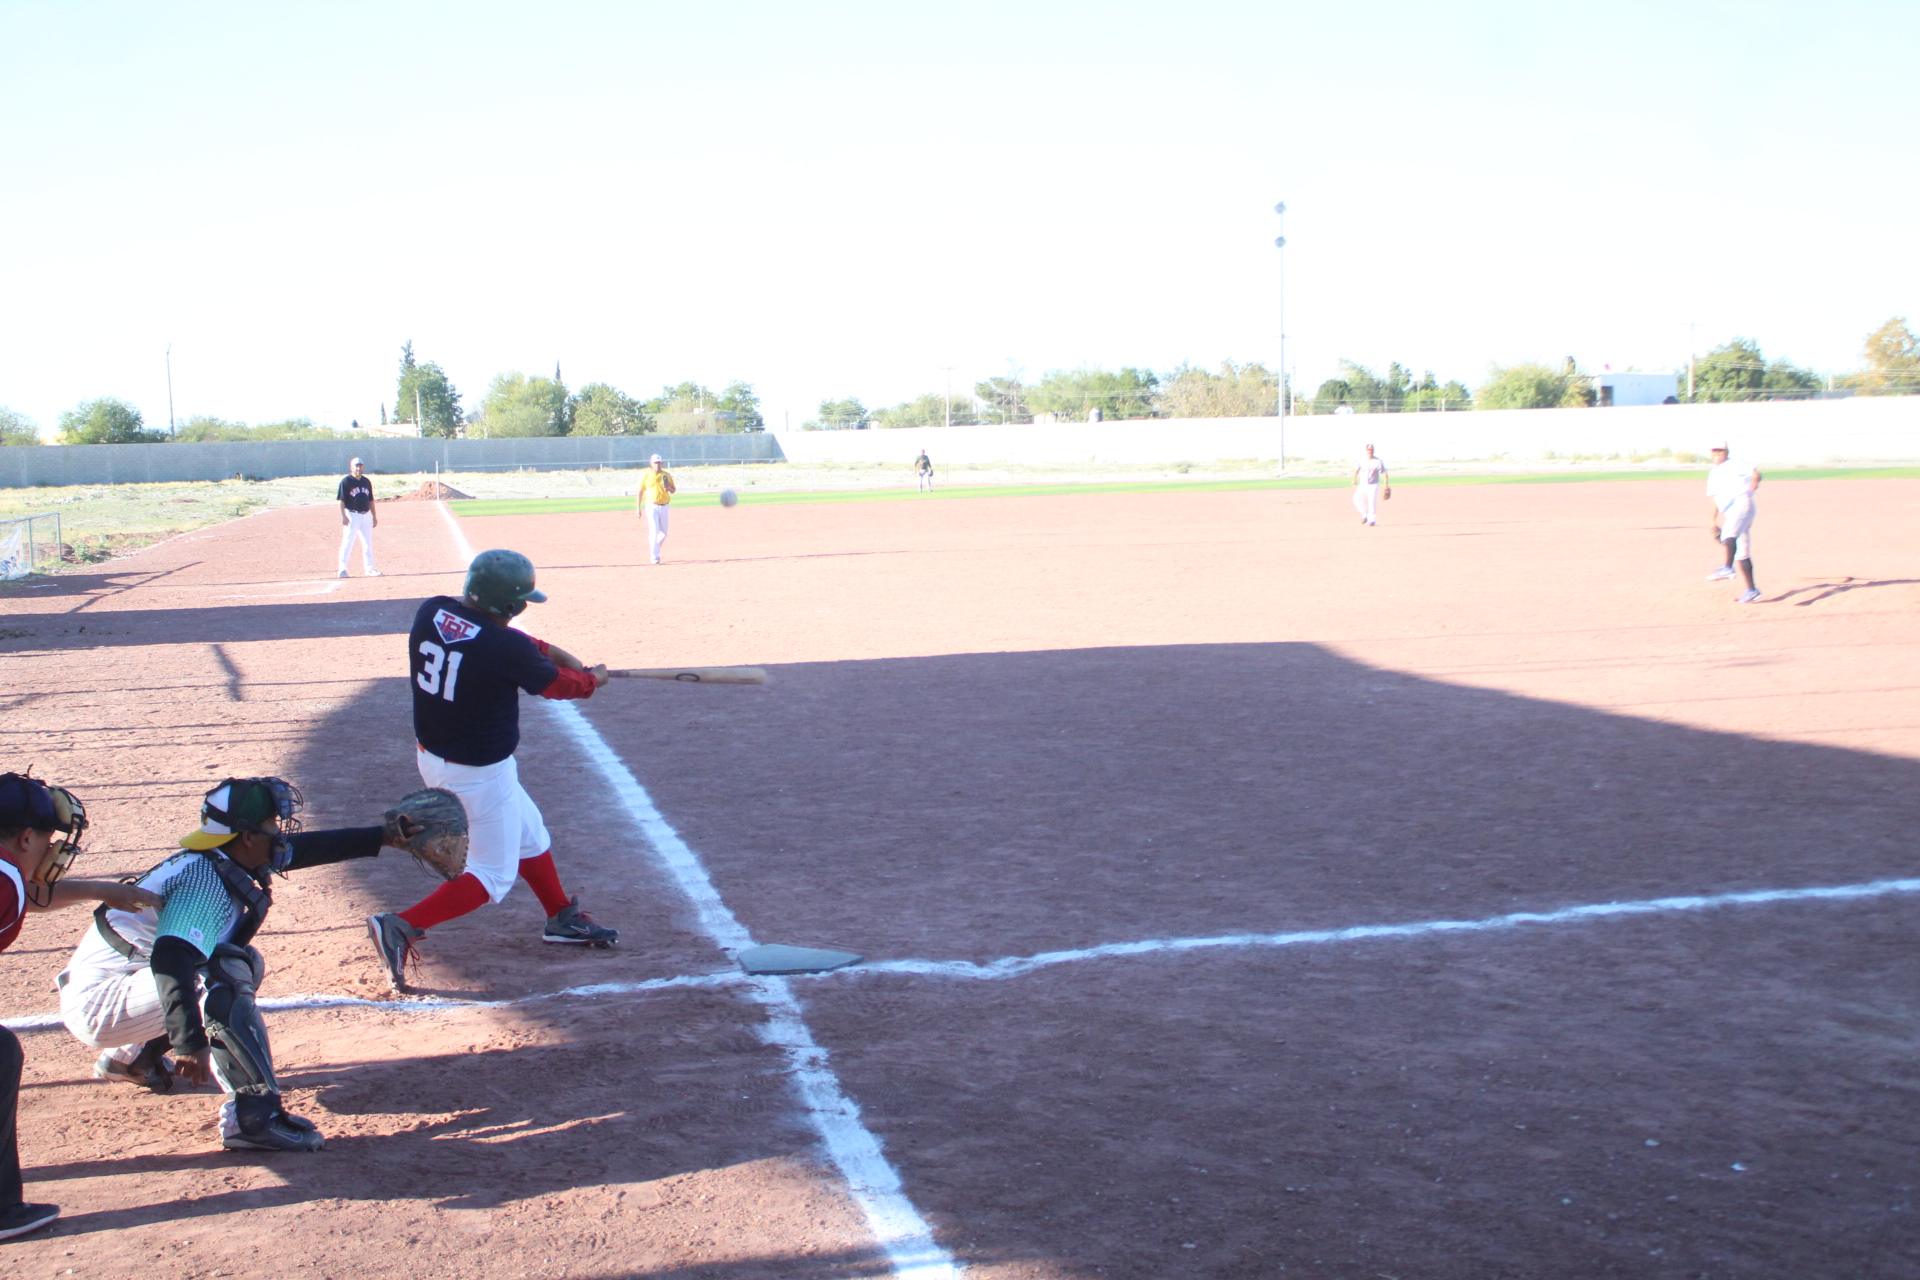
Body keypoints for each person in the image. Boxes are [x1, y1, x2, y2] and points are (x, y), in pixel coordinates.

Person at [57, 778, 420, 1152]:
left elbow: (303, 849)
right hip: (102, 1001)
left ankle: (132, 1057)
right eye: (272, 826)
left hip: (121, 983)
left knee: (242, 963)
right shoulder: (203, 883)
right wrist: (188, 1041)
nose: (280, 834)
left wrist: (384, 837)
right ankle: (251, 1117)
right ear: (247, 837)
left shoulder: (226, 855)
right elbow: (171, 960)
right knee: (223, 970)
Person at [367, 550, 617, 995]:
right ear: (510, 607)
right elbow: (559, 684)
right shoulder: (504, 648)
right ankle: (403, 925)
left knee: (529, 832)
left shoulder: (433, 611)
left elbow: (527, 649)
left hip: (445, 757)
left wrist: (570, 660)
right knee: (491, 876)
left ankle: (560, 916)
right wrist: (593, 679)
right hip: (474, 773)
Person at [2, 772, 166, 1235]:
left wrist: (104, 891)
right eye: (49, 840)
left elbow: (27, 897)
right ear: (27, 836)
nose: (54, 851)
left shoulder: (7, 874)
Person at [1704, 445, 1762, 603]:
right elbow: (1714, 499)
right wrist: (1712, 521)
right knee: (1742, 553)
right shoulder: (1713, 473)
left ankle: (1727, 568)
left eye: (1720, 450)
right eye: (1714, 451)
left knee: (1729, 535)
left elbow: (1755, 473)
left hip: (1741, 504)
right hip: (1730, 511)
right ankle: (1751, 590)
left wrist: (1754, 482)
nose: (1717, 453)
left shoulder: (1734, 464)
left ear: (1726, 452)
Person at [336, 457, 379, 578]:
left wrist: (374, 516)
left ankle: (369, 569)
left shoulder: (366, 481)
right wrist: (343, 515)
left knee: (367, 543)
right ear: (351, 467)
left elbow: (370, 499)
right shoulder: (346, 481)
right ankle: (342, 569)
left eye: (360, 466)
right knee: (348, 542)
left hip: (366, 515)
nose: (358, 468)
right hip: (352, 515)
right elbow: (341, 500)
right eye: (356, 466)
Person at [637, 454, 675, 564]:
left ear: (662, 463)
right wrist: (638, 508)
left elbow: (673, 490)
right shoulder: (646, 476)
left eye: (659, 463)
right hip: (651, 506)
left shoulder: (666, 475)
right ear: (651, 464)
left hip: (664, 505)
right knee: (653, 531)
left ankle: (655, 549)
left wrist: (669, 488)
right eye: (655, 463)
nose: (657, 465)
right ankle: (654, 557)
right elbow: (640, 492)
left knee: (664, 533)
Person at [1352, 444, 1390, 526]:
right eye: (1369, 450)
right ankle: (1365, 514)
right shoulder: (1361, 460)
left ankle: (1371, 520)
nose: (1370, 451)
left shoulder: (1378, 461)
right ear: (1366, 451)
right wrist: (1354, 479)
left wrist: (1386, 485)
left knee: (1372, 502)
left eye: (1372, 450)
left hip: (1373, 484)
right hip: (1363, 484)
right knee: (1356, 499)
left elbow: (1384, 473)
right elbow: (1356, 470)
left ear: (1373, 451)